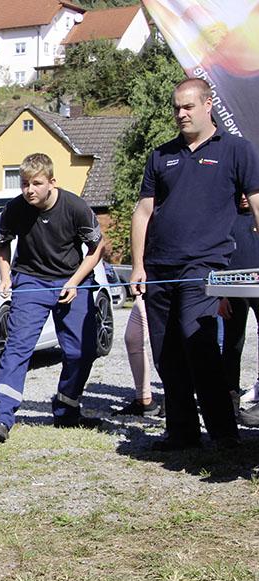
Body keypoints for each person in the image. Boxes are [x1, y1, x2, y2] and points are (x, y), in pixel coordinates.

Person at [130, 77, 259, 451]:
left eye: (188, 106)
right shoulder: (161, 154)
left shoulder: (236, 150)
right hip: (158, 267)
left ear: (208, 104)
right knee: (166, 353)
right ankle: (182, 431)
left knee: (197, 344)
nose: (181, 114)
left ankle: (223, 433)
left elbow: (255, 200)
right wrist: (138, 264)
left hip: (204, 265)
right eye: (176, 107)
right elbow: (143, 211)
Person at [0, 153, 106, 443]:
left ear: (52, 182)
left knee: (81, 351)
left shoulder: (75, 207)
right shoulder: (14, 209)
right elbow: (1, 245)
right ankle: (1, 418)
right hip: (30, 280)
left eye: (36, 183)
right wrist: (5, 277)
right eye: (25, 183)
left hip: (72, 279)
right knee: (16, 350)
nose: (29, 190)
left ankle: (67, 407)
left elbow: (97, 248)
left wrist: (75, 282)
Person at [221, 194, 259, 423]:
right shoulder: (226, 218)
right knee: (233, 342)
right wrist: (221, 295)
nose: (244, 198)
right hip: (233, 288)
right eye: (240, 193)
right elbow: (218, 257)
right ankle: (230, 395)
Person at [113, 295, 163, 417]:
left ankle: (175, 398)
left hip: (177, 285)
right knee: (133, 338)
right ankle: (144, 400)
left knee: (167, 340)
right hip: (149, 286)